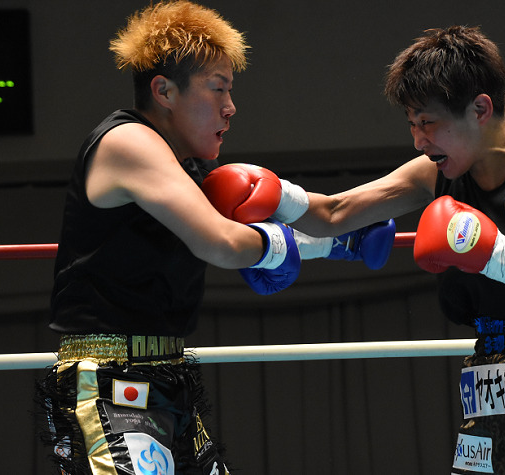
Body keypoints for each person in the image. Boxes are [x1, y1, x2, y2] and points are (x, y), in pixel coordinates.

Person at [207, 26, 505, 474]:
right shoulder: (434, 174)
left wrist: (494, 254)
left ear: (480, 109)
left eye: (427, 123)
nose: (418, 141)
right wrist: (277, 195)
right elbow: (335, 213)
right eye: (412, 124)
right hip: (490, 384)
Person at [35, 2, 394, 474]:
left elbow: (323, 212)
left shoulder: (190, 170)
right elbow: (222, 243)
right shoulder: (128, 142)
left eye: (230, 90)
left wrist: (346, 236)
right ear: (164, 91)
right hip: (107, 382)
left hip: (168, 374)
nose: (231, 106)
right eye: (218, 88)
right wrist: (279, 246)